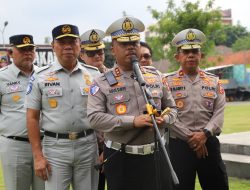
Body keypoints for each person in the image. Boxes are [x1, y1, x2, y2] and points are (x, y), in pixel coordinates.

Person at [87, 16, 177, 190]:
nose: (130, 47)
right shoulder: (101, 82)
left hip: (157, 155)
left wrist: (164, 120)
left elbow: (172, 109)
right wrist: (133, 122)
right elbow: (94, 118)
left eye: (134, 43)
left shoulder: (156, 75)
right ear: (113, 48)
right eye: (124, 44)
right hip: (122, 158)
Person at [25, 24, 100, 190]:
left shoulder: (94, 75)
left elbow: (103, 112)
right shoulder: (39, 76)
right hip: (55, 148)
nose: (68, 46)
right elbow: (32, 117)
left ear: (80, 45)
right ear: (53, 46)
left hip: (88, 145)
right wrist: (38, 156)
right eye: (62, 42)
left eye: (72, 42)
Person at [165, 28, 229, 190]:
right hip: (180, 146)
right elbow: (168, 115)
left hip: (209, 144)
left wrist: (205, 134)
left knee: (217, 185)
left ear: (202, 55)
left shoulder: (214, 82)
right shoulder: (167, 82)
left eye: (195, 51)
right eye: (186, 52)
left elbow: (219, 112)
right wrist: (192, 139)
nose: (191, 55)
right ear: (177, 57)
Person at [0, 34, 44, 190]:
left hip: (45, 144)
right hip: (15, 145)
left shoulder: (44, 75)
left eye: (30, 49)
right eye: (22, 49)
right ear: (10, 53)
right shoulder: (2, 77)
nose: (28, 53)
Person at [79, 28, 107, 190]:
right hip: (88, 146)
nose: (97, 55)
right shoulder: (78, 79)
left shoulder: (114, 76)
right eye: (91, 53)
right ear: (81, 55)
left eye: (100, 51)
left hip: (113, 145)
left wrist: (108, 148)